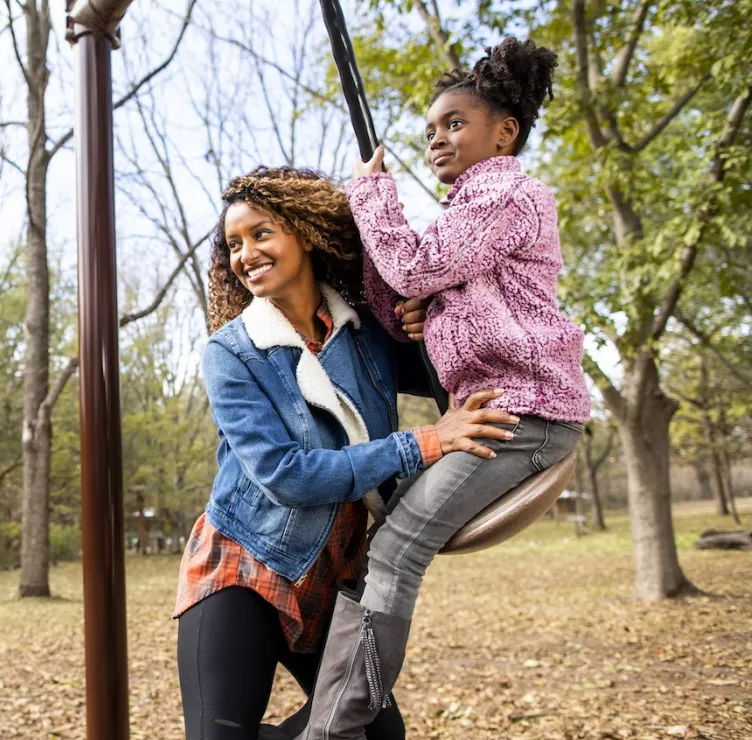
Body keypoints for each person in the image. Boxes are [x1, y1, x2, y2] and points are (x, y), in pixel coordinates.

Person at [295, 39, 591, 740]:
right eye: (430, 129)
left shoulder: (507, 189)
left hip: (528, 412)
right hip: (493, 409)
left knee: (397, 551)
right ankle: (338, 713)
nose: (437, 139)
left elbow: (419, 263)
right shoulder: (473, 210)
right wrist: (422, 303)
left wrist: (371, 196)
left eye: (455, 123)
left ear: (504, 131)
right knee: (379, 535)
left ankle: (331, 731)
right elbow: (407, 286)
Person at [175, 166, 515, 740]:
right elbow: (286, 474)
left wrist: (428, 315)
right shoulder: (232, 352)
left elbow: (452, 364)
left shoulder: (366, 336)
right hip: (246, 567)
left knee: (381, 735)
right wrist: (424, 442)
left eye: (261, 233)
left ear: (305, 233)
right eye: (234, 244)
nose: (245, 253)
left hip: (336, 579)